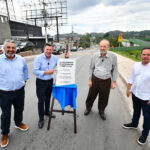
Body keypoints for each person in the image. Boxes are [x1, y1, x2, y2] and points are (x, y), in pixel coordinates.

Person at [0, 39, 29, 148]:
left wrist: (24, 81)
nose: (11, 50)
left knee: (19, 109)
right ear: (4, 48)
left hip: (19, 91)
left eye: (13, 48)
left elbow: (25, 72)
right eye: (8, 47)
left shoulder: (21, 59)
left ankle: (18, 123)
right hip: (4, 93)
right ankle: (5, 133)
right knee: (5, 115)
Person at [84, 39, 118, 120]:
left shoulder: (113, 57)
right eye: (101, 46)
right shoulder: (95, 55)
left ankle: (101, 111)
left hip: (106, 80)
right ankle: (88, 108)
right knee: (91, 95)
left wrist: (114, 82)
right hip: (95, 79)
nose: (102, 48)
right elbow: (91, 68)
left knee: (104, 97)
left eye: (104, 46)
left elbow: (115, 69)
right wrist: (90, 80)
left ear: (108, 47)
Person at [122, 47, 150, 145]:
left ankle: (145, 134)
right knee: (136, 110)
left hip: (147, 97)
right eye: (144, 54)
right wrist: (128, 89)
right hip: (136, 93)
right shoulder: (136, 65)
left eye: (148, 55)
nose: (145, 56)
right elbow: (131, 78)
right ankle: (134, 124)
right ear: (141, 55)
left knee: (147, 116)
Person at [33, 43, 57, 129]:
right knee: (41, 100)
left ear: (52, 50)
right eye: (47, 49)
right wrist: (46, 72)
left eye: (50, 50)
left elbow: (62, 65)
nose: (49, 51)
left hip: (50, 81)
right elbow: (35, 71)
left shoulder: (54, 58)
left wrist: (66, 57)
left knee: (48, 98)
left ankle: (47, 112)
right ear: (44, 49)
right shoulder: (38, 58)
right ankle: (41, 119)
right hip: (41, 82)